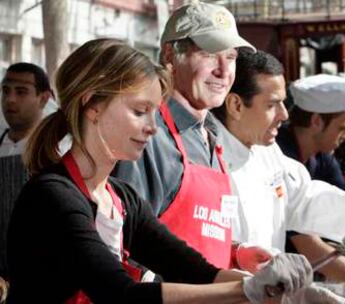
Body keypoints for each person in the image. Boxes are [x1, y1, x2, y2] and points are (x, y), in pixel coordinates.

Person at [6, 38, 314, 304]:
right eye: (140, 112)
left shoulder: (123, 200)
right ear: (92, 106)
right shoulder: (53, 196)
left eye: (155, 113)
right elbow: (121, 294)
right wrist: (246, 289)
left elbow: (198, 273)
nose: (153, 128)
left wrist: (270, 284)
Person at [213, 53, 345, 283]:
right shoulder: (207, 155)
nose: (283, 114)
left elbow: (301, 199)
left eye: (283, 103)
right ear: (236, 105)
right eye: (272, 105)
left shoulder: (265, 150)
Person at [113, 1, 267, 269]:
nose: (223, 70)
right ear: (170, 55)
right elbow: (125, 248)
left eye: (230, 57)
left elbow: (200, 238)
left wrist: (236, 255)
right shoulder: (148, 136)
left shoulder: (210, 136)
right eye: (209, 54)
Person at [0, 63, 52, 279]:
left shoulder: (54, 152)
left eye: (21, 92)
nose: (10, 99)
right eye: (5, 91)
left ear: (43, 98)